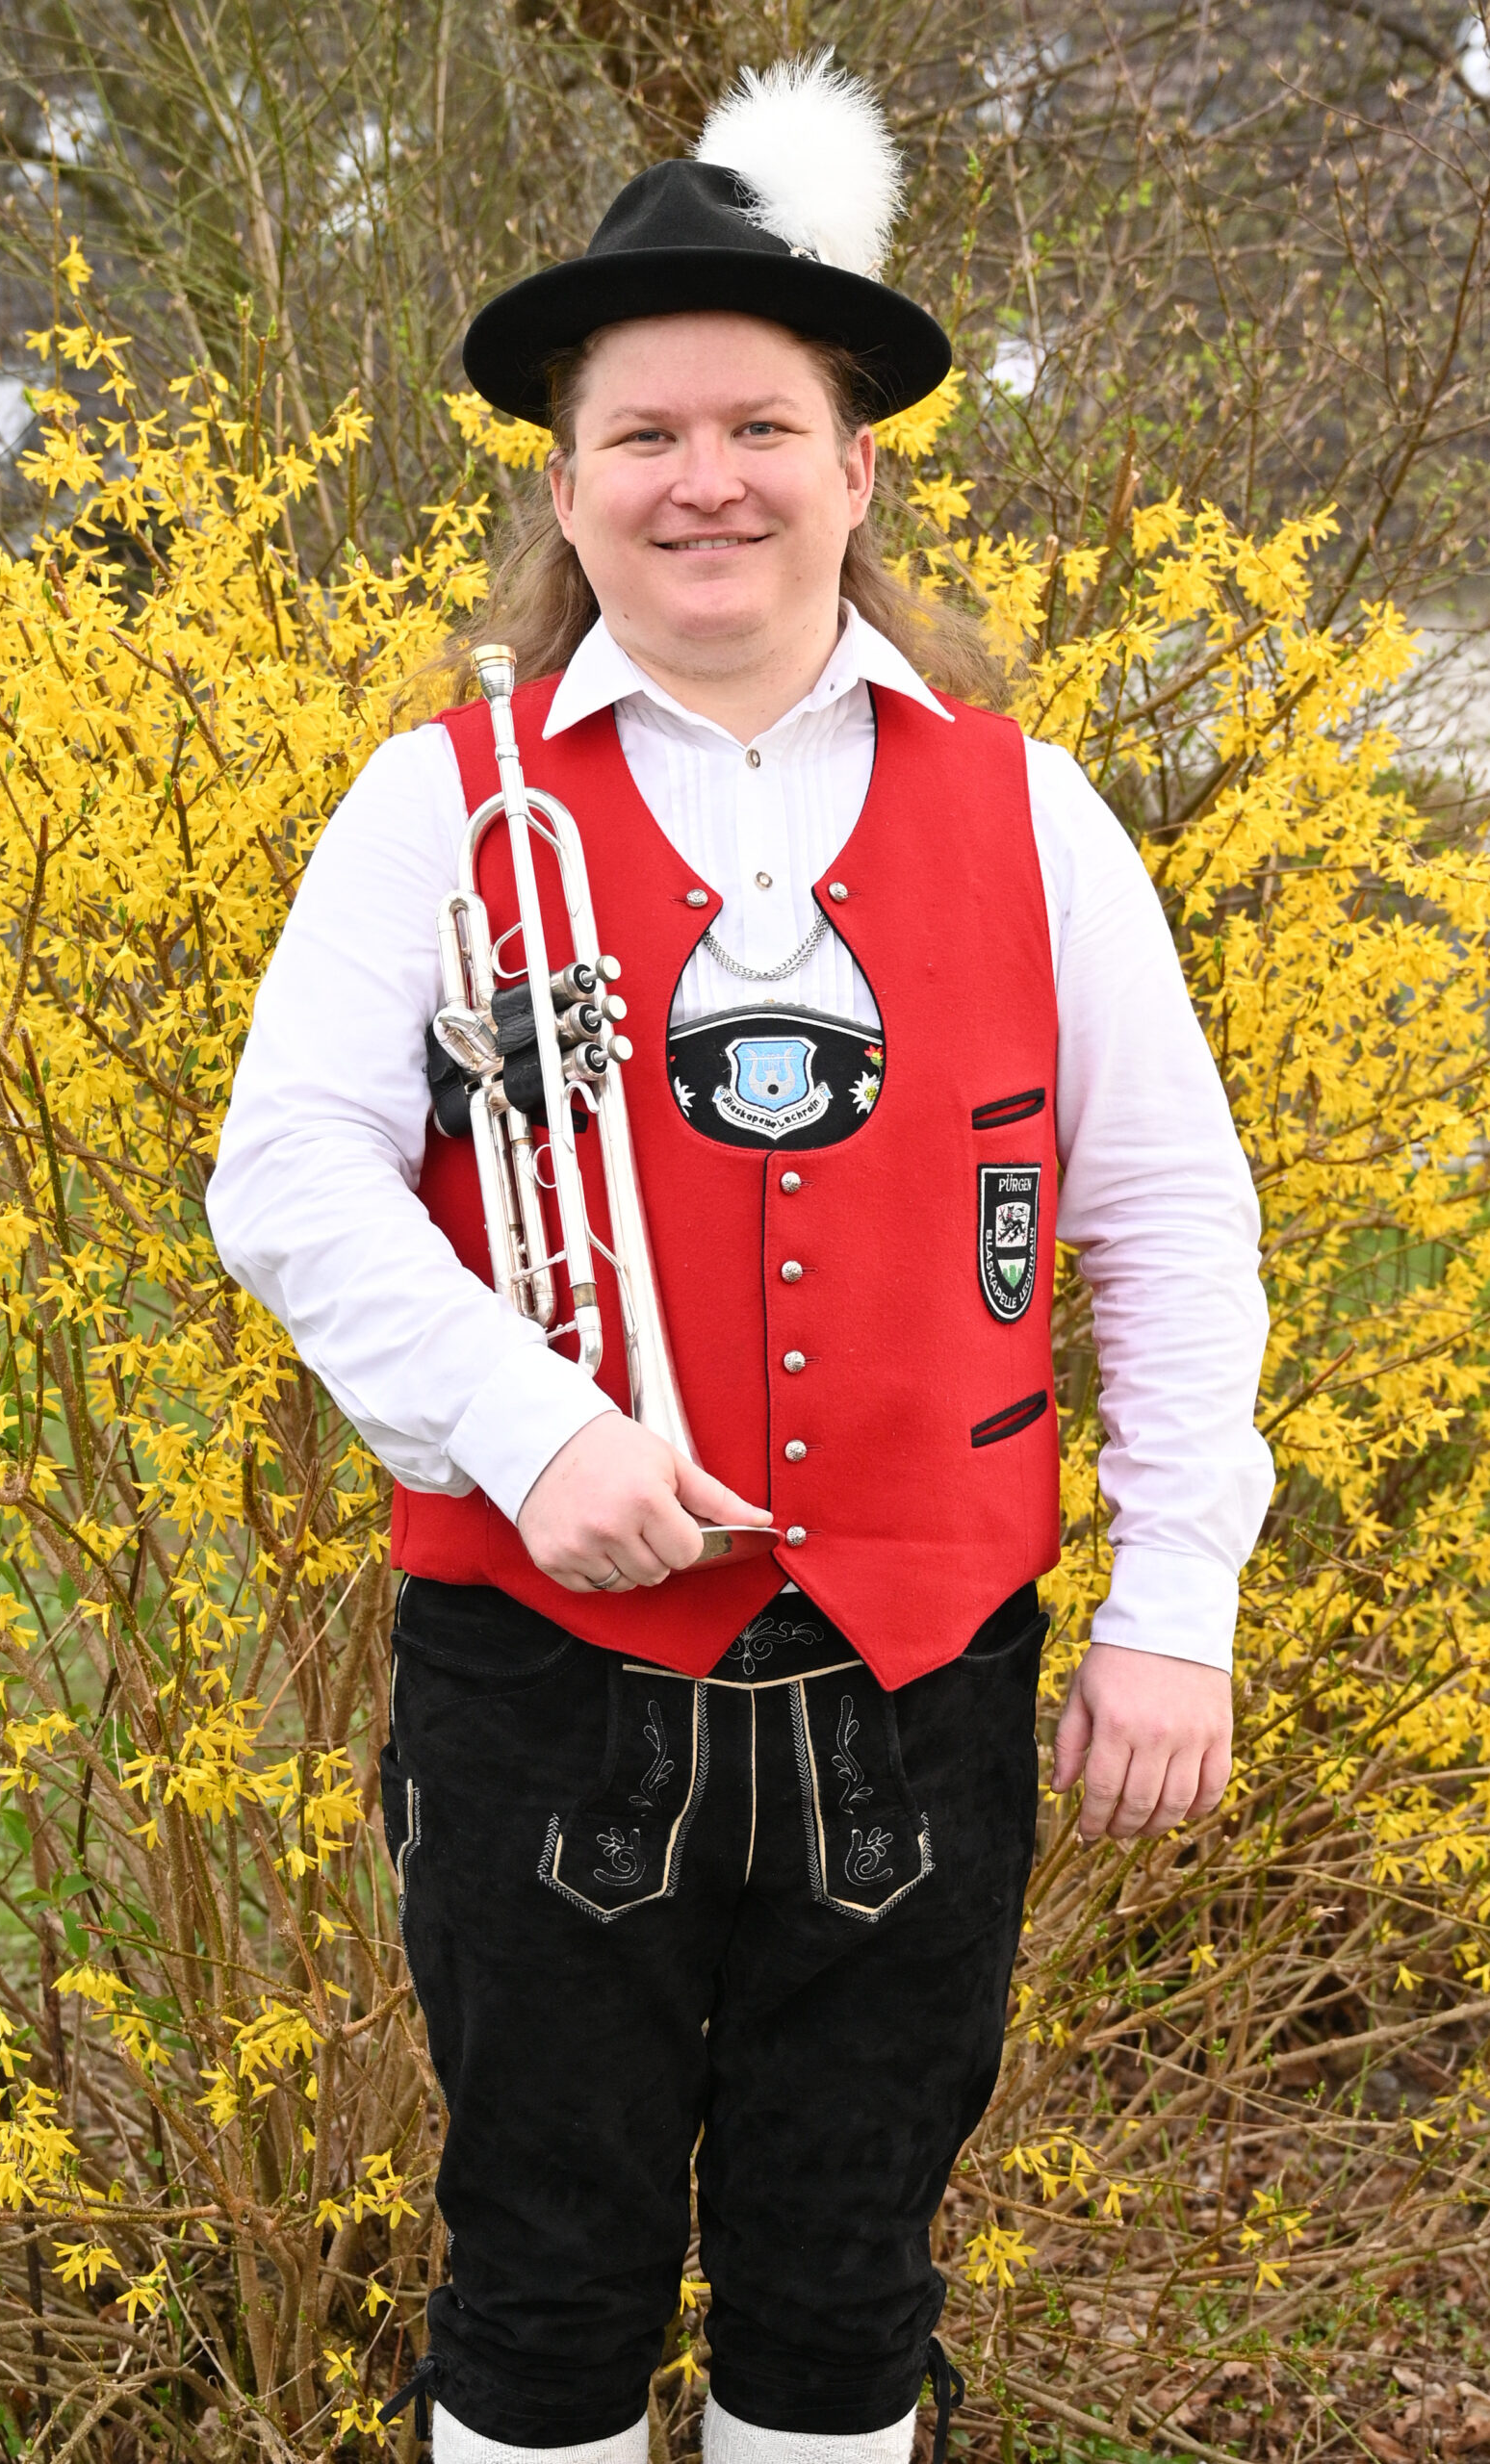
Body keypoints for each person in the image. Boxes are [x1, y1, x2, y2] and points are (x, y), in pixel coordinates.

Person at [207, 54, 1272, 2464]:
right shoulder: (437, 802)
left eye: (760, 425)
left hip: (924, 1667)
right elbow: (289, 1171)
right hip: (542, 1670)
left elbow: (1168, 1211)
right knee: (540, 2279)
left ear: (854, 468)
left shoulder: (1032, 808)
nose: (706, 477)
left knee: (844, 2284)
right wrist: (529, 1427)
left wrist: (1176, 1594)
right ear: (566, 481)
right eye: (645, 433)